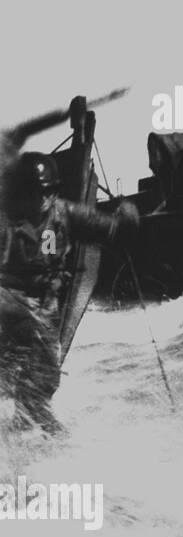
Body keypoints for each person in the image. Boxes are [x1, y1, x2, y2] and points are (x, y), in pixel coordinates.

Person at [0, 151, 138, 431]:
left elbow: (107, 227)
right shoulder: (6, 220)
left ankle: (26, 425)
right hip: (9, 300)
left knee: (45, 378)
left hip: (44, 304)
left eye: (48, 191)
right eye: (35, 192)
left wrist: (125, 222)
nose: (42, 198)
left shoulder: (64, 214)